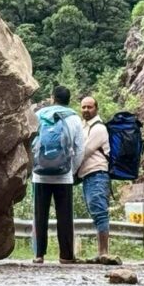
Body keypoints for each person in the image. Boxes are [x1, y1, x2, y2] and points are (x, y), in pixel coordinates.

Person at [31, 85, 85, 264]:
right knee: (65, 216)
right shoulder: (74, 119)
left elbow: (31, 142)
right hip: (64, 175)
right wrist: (73, 169)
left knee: (40, 215)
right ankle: (66, 255)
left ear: (52, 97)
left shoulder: (39, 115)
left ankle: (39, 254)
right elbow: (79, 149)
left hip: (40, 174)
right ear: (69, 99)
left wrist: (34, 166)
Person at [76, 96, 116, 264]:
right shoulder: (86, 127)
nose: (86, 110)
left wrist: (68, 170)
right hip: (88, 175)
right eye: (84, 107)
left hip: (97, 174)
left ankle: (104, 252)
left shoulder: (98, 129)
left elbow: (84, 151)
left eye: (89, 107)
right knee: (95, 212)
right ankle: (101, 253)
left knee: (100, 212)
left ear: (96, 108)